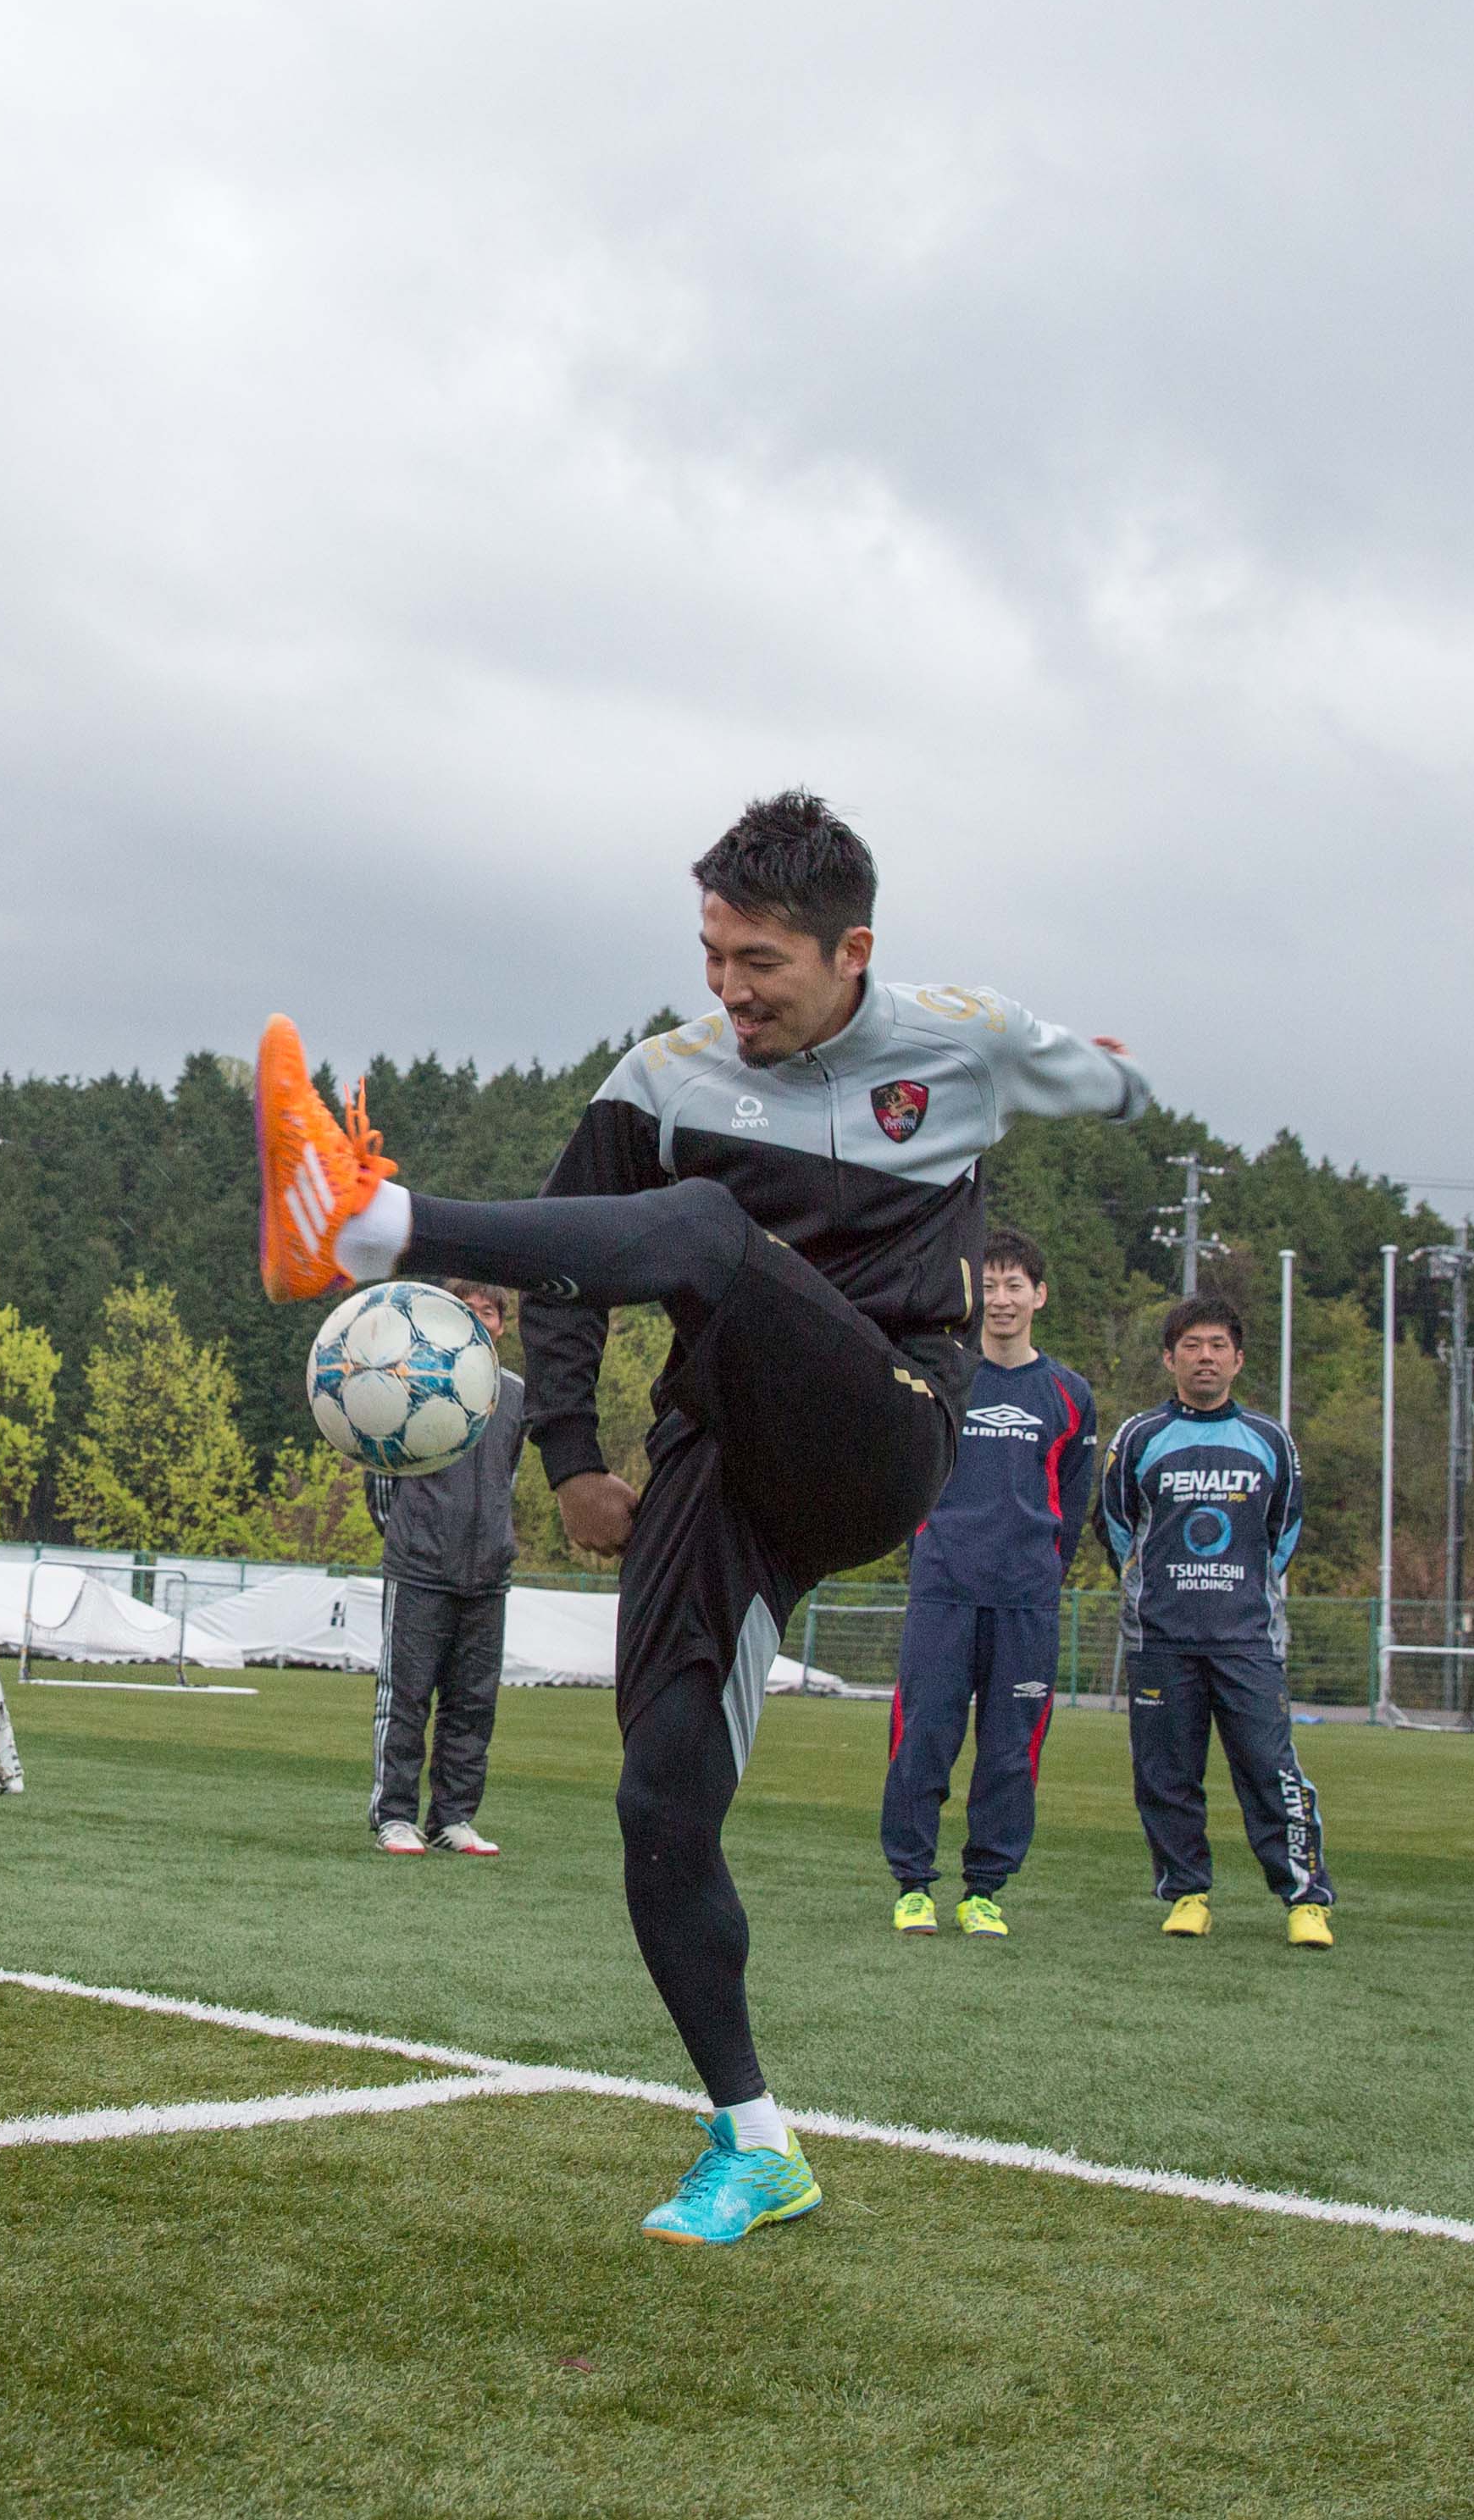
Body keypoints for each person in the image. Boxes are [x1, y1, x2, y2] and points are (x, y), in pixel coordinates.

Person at [252, 789, 1147, 2249]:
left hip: (880, 1426)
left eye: (760, 964)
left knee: (709, 1237)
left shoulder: (953, 1048)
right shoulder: (659, 1077)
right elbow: (564, 1264)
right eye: (711, 954)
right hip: (715, 1459)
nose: (726, 991)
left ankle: (369, 1224)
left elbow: (1084, 1076)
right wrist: (565, 1456)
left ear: (850, 950)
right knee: (657, 1804)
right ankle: (751, 2136)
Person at [878, 1228, 1095, 1936]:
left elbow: (1073, 1498)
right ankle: (914, 1883)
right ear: (975, 1296)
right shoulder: (942, 1375)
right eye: (990, 1285)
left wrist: (1036, 1571)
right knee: (924, 1739)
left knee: (1010, 1749)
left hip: (1025, 1601)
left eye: (1015, 1286)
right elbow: (907, 1472)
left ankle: (985, 1891)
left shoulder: (1070, 1393)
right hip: (943, 1590)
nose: (1002, 1300)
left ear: (1039, 1295)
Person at [1100, 1296, 1335, 1947]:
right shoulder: (1140, 1438)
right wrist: (1161, 1587)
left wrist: (1239, 1591)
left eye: (1217, 1345)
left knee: (1270, 1767)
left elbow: (1283, 1531)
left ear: (1238, 1358)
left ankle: (1305, 1897)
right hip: (1161, 1639)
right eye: (1192, 1345)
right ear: (1170, 1357)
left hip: (1246, 1639)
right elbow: (1119, 1527)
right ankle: (1186, 1891)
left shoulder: (1269, 1440)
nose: (1205, 1356)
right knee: (1166, 1773)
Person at [366, 1282, 524, 1857]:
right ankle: (395, 1816)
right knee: (405, 1696)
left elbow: (507, 1479)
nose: (481, 1320)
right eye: (470, 1311)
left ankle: (454, 1817)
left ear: (502, 1326)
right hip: (420, 1569)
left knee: (473, 1702)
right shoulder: (413, 1384)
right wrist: (413, 1538)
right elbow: (382, 1475)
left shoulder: (516, 1396)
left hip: (488, 1574)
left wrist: (492, 1544)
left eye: (491, 1312)